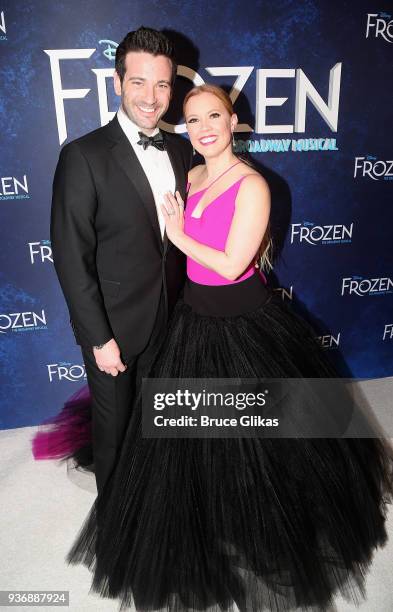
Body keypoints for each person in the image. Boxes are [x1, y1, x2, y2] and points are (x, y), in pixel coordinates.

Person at [46, 85, 393, 611]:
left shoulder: (253, 185)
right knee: (190, 438)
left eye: (214, 116)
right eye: (192, 119)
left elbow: (231, 264)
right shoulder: (192, 174)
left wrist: (176, 232)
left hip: (243, 323)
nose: (203, 127)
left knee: (257, 442)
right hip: (193, 318)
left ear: (234, 123)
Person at [36, 27, 193, 495]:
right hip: (114, 329)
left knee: (160, 424)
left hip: (173, 320)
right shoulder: (83, 156)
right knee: (114, 433)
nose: (151, 96)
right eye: (139, 82)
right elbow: (71, 257)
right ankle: (117, 530)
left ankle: (154, 512)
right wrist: (99, 338)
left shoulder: (183, 150)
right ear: (117, 82)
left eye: (162, 84)